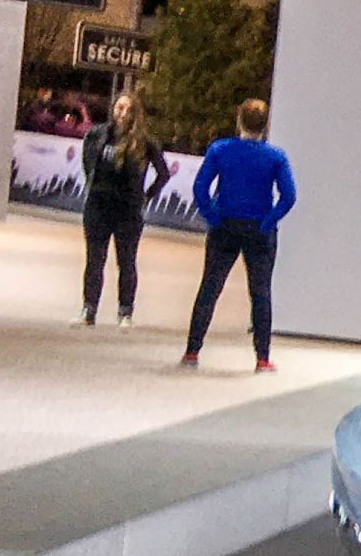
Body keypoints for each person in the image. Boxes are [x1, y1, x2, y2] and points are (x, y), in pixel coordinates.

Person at [183, 98, 296, 373]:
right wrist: (268, 222)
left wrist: (212, 215)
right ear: (265, 125)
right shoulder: (276, 157)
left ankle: (192, 350)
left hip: (225, 225)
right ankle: (262, 357)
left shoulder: (220, 149)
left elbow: (200, 187)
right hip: (258, 229)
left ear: (239, 121)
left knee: (210, 287)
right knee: (260, 292)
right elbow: (289, 196)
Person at [77, 89, 171, 326]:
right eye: (120, 108)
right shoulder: (98, 135)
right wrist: (92, 182)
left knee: (126, 261)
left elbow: (163, 173)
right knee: (94, 259)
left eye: (129, 110)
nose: (123, 113)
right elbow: (87, 159)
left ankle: (125, 310)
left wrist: (146, 196)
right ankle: (89, 309)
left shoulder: (145, 143)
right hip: (98, 205)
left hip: (127, 210)